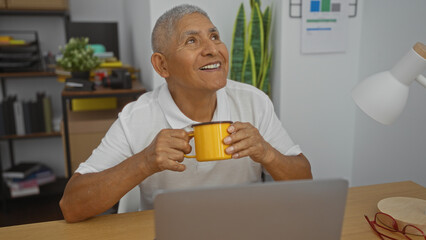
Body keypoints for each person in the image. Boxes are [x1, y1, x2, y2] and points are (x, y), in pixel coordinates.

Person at [59, 4, 312, 223]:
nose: (212, 49)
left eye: (214, 36)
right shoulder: (136, 117)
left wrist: (267, 153)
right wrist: (144, 162)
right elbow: (71, 206)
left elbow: (306, 183)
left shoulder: (254, 102)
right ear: (162, 65)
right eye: (192, 41)